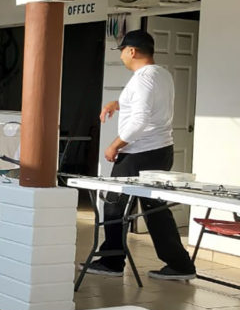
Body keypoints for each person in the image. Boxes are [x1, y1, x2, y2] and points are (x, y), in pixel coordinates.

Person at [84, 30, 197, 281]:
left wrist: (115, 144)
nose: (122, 55)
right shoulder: (161, 74)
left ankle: (112, 261)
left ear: (132, 51)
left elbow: (140, 119)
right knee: (154, 209)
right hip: (160, 151)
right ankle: (180, 264)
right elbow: (145, 105)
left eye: (123, 50)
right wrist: (117, 103)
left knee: (114, 205)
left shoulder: (143, 78)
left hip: (139, 152)